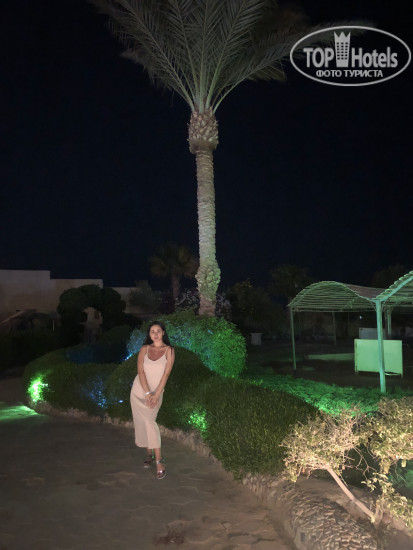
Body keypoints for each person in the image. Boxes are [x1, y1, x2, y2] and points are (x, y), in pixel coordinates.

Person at [130, 321, 175, 479]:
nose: (155, 334)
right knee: (141, 423)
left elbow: (166, 374)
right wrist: (148, 393)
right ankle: (149, 454)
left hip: (157, 392)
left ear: (163, 332)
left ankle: (159, 460)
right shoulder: (144, 349)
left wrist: (155, 395)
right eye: (152, 331)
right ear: (149, 334)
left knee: (150, 421)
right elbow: (140, 371)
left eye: (158, 331)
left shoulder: (169, 350)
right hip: (139, 391)